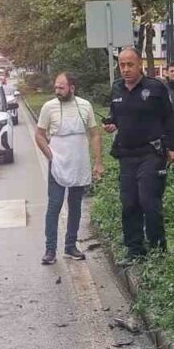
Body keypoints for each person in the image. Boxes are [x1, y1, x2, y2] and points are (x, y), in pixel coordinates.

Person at [103, 48, 174, 263]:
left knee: (149, 202)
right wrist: (111, 123)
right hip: (126, 155)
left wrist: (173, 147)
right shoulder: (117, 88)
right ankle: (134, 250)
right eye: (122, 65)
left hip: (151, 153)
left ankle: (158, 252)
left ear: (140, 66)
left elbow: (169, 118)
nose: (126, 69)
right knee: (129, 204)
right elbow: (116, 116)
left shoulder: (155, 88)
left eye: (130, 65)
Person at [35, 72, 103, 265]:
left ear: (72, 88)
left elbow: (95, 135)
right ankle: (50, 249)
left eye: (61, 87)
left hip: (79, 162)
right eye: (56, 87)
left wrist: (98, 162)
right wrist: (50, 156)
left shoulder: (85, 106)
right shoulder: (49, 108)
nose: (57, 91)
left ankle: (71, 245)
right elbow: (39, 135)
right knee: (54, 205)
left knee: (75, 206)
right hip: (57, 163)